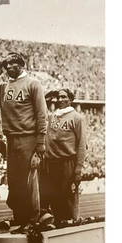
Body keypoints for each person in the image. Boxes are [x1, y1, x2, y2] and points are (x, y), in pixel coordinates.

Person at [0, 52, 47, 233]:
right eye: (6, 65)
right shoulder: (3, 86)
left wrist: (40, 143)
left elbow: (41, 114)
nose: (9, 67)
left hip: (28, 137)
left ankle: (33, 220)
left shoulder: (33, 84)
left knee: (28, 181)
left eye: (13, 64)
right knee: (14, 182)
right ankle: (20, 218)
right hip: (11, 139)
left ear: (22, 65)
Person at [42, 89, 87, 223]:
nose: (60, 99)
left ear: (70, 99)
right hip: (51, 162)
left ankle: (68, 225)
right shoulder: (53, 115)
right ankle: (58, 225)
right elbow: (40, 108)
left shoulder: (77, 118)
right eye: (58, 97)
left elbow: (81, 144)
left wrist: (78, 169)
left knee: (66, 197)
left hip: (67, 162)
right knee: (53, 198)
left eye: (64, 97)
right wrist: (47, 97)